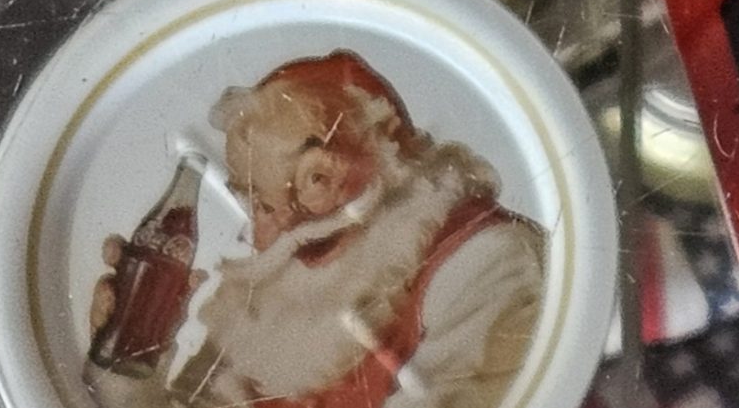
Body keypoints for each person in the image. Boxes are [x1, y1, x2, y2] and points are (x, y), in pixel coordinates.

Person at [89, 51, 545, 408]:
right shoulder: (277, 295)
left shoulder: (487, 261)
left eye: (268, 206)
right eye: (252, 203)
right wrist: (132, 362)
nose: (258, 236)